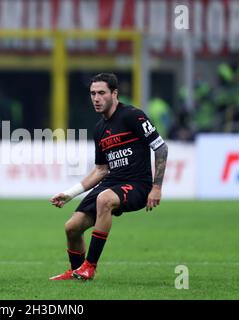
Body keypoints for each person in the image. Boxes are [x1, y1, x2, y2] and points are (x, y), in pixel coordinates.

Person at [49, 73, 168, 281]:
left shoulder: (133, 116)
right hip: (112, 183)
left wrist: (156, 187)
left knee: (105, 199)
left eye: (101, 93)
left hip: (137, 184)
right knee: (72, 228)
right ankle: (78, 271)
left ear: (114, 94)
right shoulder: (100, 129)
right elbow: (101, 170)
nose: (96, 98)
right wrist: (70, 194)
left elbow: (161, 148)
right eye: (93, 93)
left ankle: (90, 266)